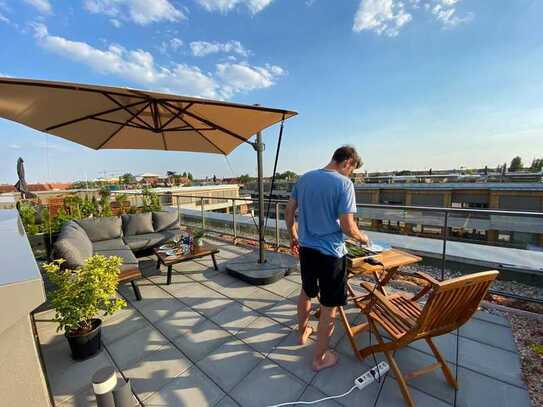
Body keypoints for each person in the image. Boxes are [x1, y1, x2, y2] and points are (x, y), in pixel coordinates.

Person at [285, 145, 369, 371]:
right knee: (329, 306)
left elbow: (289, 210)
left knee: (306, 291)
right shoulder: (344, 184)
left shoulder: (304, 179)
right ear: (348, 162)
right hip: (331, 253)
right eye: (352, 169)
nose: (350, 174)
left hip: (307, 248)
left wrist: (293, 234)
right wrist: (364, 239)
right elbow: (348, 226)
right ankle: (319, 359)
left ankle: (302, 333)